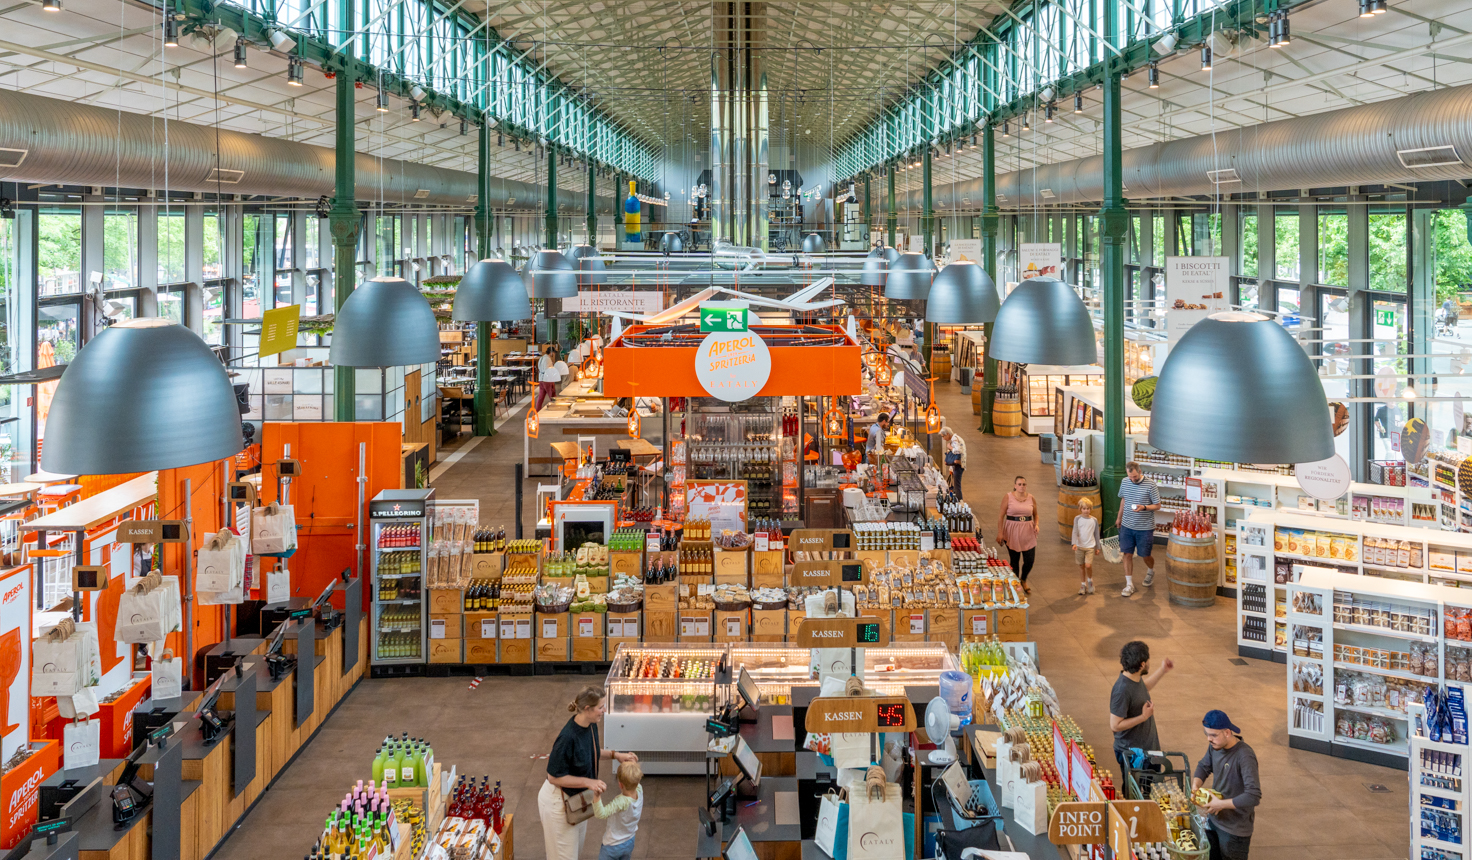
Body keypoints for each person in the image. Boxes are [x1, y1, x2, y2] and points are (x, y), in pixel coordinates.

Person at [539, 686, 639, 860]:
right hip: (559, 804)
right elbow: (553, 776)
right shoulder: (567, 738)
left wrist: (617, 755)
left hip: (578, 800)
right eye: (601, 707)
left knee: (574, 853)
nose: (604, 710)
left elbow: (591, 751)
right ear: (587, 709)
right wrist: (588, 782)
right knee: (564, 856)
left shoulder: (590, 725)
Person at [1192, 710, 1261, 860]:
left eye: (1213, 735)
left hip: (1235, 831)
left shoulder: (1245, 756)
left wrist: (1221, 804)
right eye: (1207, 734)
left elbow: (1253, 796)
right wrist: (1195, 785)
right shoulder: (1215, 746)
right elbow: (1204, 766)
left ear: (1228, 732)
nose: (1209, 739)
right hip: (1215, 821)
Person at [1110, 641, 1174, 778]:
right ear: (1142, 664)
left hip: (1148, 749)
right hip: (1134, 755)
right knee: (1136, 793)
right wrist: (1143, 717)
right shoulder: (1122, 690)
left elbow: (1143, 689)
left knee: (1153, 791)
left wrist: (1162, 670)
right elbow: (1115, 725)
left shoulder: (1134, 679)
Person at [1115, 461, 1161, 597]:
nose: (1133, 480)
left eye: (1135, 477)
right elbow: (1123, 500)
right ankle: (1129, 585)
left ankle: (1151, 570)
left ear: (1139, 471)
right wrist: (1119, 518)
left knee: (1145, 555)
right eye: (1130, 477)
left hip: (1145, 527)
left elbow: (1157, 505)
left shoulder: (1150, 484)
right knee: (1126, 554)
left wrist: (1144, 507)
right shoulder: (1125, 482)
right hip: (1127, 525)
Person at [592, 760, 644, 860]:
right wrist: (631, 767)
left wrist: (596, 796)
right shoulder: (639, 790)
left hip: (612, 846)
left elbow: (601, 814)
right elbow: (634, 779)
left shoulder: (621, 802)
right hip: (629, 841)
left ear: (620, 785)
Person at [996, 476, 1039, 594]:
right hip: (1012, 531)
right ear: (1015, 485)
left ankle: (1023, 579)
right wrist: (1000, 533)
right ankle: (1015, 584)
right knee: (1014, 560)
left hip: (1028, 531)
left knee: (1029, 560)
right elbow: (1001, 516)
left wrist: (1036, 524)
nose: (1022, 486)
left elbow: (1036, 514)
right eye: (1019, 484)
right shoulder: (1008, 497)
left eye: (1024, 484)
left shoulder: (1031, 498)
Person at [1072, 498, 1099, 596]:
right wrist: (1074, 543)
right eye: (1084, 508)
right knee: (1081, 565)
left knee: (1088, 565)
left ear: (1091, 509)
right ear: (1080, 509)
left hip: (1090, 547)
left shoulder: (1094, 520)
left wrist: (1098, 547)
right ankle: (1083, 585)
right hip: (1079, 546)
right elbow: (1075, 531)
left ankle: (1090, 581)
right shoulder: (1077, 519)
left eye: (1088, 508)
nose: (1086, 510)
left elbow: (1096, 534)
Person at [940, 427, 967, 498]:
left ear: (948, 434)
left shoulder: (955, 439)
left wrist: (950, 447)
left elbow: (958, 451)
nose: (943, 438)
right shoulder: (954, 439)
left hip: (958, 465)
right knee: (955, 485)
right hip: (956, 465)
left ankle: (959, 501)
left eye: (943, 436)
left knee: (957, 486)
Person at [536, 345, 561, 412]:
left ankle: (537, 410)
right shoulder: (547, 359)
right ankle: (556, 408)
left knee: (541, 396)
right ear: (551, 352)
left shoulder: (542, 358)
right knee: (552, 395)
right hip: (547, 379)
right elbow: (547, 370)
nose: (554, 354)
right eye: (554, 353)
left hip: (541, 378)